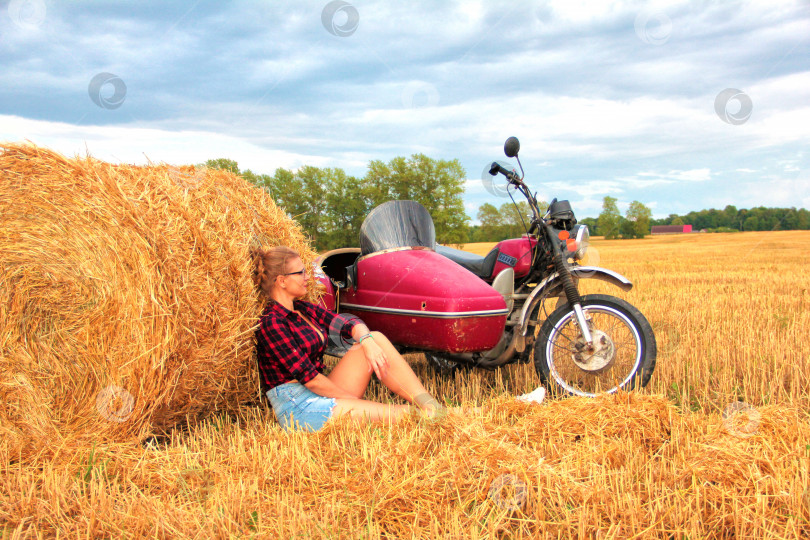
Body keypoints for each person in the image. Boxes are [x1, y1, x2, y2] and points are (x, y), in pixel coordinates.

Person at [253, 246, 448, 432]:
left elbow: (349, 323)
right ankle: (444, 415)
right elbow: (310, 380)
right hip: (299, 407)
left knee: (376, 338)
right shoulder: (272, 323)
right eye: (301, 272)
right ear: (282, 280)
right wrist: (353, 402)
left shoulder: (303, 309)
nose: (307, 277)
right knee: (403, 415)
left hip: (319, 390)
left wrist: (367, 342)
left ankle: (430, 404)